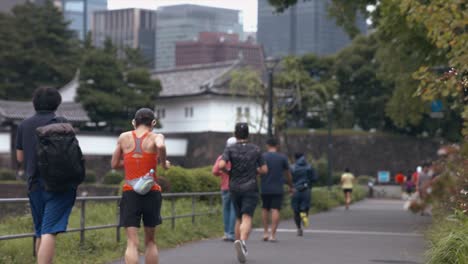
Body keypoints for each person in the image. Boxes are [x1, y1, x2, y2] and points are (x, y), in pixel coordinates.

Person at [16, 87, 77, 264]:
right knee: (49, 231)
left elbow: (20, 157)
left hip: (34, 184)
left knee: (40, 230)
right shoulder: (62, 122)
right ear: (56, 103)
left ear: (34, 103)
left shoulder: (24, 125)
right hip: (60, 185)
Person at [111, 108, 169, 264]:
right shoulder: (156, 136)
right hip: (152, 192)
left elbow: (114, 164)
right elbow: (161, 146)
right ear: (153, 123)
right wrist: (163, 163)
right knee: (150, 241)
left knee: (132, 242)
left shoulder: (123, 137)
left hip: (130, 193)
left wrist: (132, 161)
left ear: (134, 123)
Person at [218, 122, 268, 264]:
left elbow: (221, 165)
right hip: (250, 186)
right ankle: (243, 243)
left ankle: (238, 242)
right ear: (248, 134)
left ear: (235, 134)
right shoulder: (256, 149)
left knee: (238, 217)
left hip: (234, 186)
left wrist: (229, 173)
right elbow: (264, 170)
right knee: (247, 216)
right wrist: (255, 171)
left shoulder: (230, 149)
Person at [260, 138, 293, 242]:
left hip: (265, 187)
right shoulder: (282, 158)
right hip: (278, 188)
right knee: (275, 209)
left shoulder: (262, 157)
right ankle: (272, 235)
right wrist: (290, 185)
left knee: (265, 209)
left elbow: (258, 171)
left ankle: (265, 232)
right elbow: (288, 173)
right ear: (277, 146)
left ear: (267, 145)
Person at [212, 137, 237, 242]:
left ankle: (226, 233)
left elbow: (214, 171)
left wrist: (222, 173)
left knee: (226, 210)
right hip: (236, 187)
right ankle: (232, 233)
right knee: (233, 210)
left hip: (225, 187)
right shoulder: (239, 157)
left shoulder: (222, 157)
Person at [290, 153, 316, 237]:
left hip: (295, 190)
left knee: (295, 210)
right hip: (306, 189)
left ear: (295, 158)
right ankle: (304, 215)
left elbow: (287, 179)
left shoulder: (292, 167)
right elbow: (315, 178)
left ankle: (299, 228)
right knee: (305, 207)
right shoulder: (309, 167)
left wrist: (291, 186)